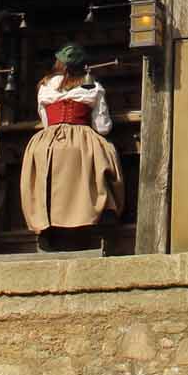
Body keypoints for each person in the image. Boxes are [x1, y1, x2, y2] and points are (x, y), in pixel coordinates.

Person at [20, 43, 124, 245]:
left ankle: (47, 227)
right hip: (80, 137)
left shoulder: (44, 87)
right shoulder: (93, 87)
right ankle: (102, 215)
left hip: (47, 140)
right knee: (105, 155)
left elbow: (46, 121)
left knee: (41, 163)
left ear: (58, 63)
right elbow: (102, 127)